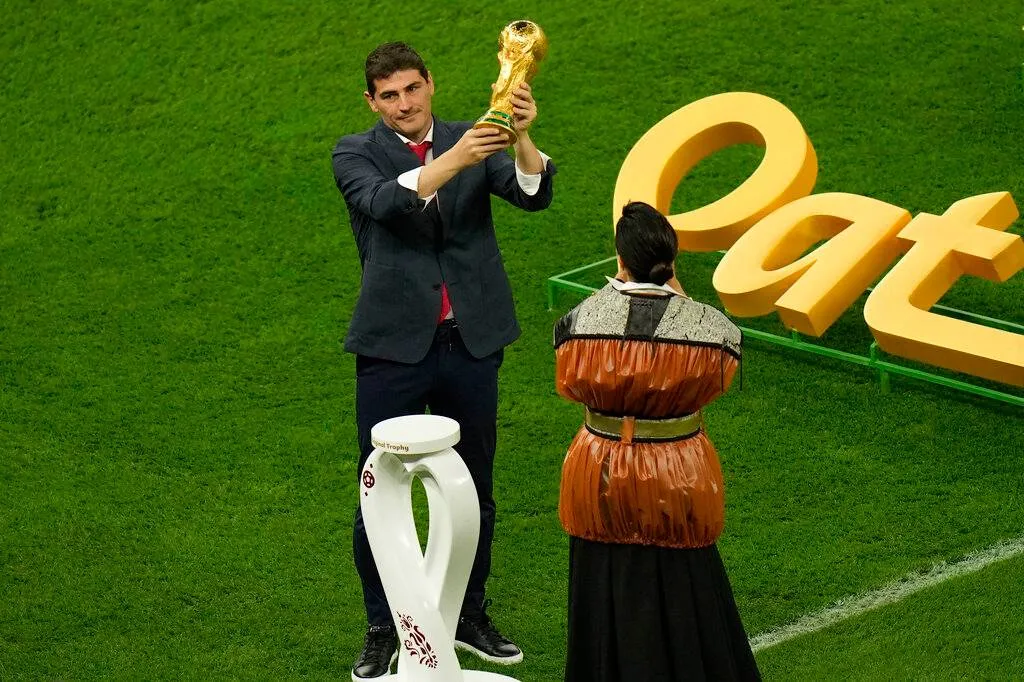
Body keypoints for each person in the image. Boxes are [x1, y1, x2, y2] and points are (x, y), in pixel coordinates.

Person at [331, 42, 556, 680]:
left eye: (412, 88)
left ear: (430, 83)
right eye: (389, 95)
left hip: (471, 343)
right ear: (372, 102)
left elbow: (533, 194)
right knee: (378, 493)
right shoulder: (354, 154)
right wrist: (460, 156)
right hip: (392, 350)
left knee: (473, 489)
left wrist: (521, 137)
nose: (404, 104)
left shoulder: (475, 136)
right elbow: (387, 203)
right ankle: (384, 627)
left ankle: (466, 614)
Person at [553, 202, 760, 682]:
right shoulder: (710, 330)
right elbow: (726, 360)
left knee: (600, 575)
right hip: (678, 470)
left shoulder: (577, 322)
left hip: (599, 469)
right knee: (687, 581)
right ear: (672, 260)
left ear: (620, 259)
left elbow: (569, 382)